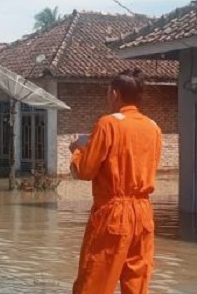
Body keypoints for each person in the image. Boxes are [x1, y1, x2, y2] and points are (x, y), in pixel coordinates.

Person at [69, 69, 163, 294]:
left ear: (115, 93)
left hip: (113, 213)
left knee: (94, 282)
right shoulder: (153, 127)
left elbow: (84, 171)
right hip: (143, 212)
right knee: (137, 282)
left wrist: (78, 150)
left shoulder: (108, 124)